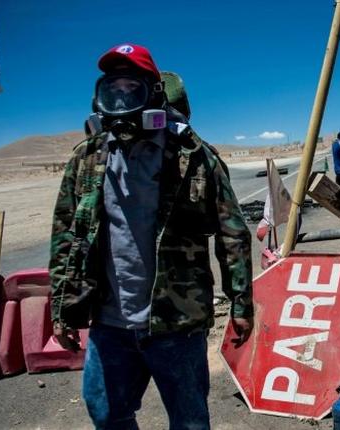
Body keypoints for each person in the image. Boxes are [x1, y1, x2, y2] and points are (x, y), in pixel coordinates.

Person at [50, 44, 253, 429]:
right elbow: (64, 236)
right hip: (109, 324)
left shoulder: (193, 157)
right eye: (114, 89)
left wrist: (241, 304)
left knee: (189, 421)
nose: (123, 98)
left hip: (176, 322)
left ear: (154, 94)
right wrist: (62, 311)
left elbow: (233, 233)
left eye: (134, 88)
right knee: (108, 415)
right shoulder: (86, 158)